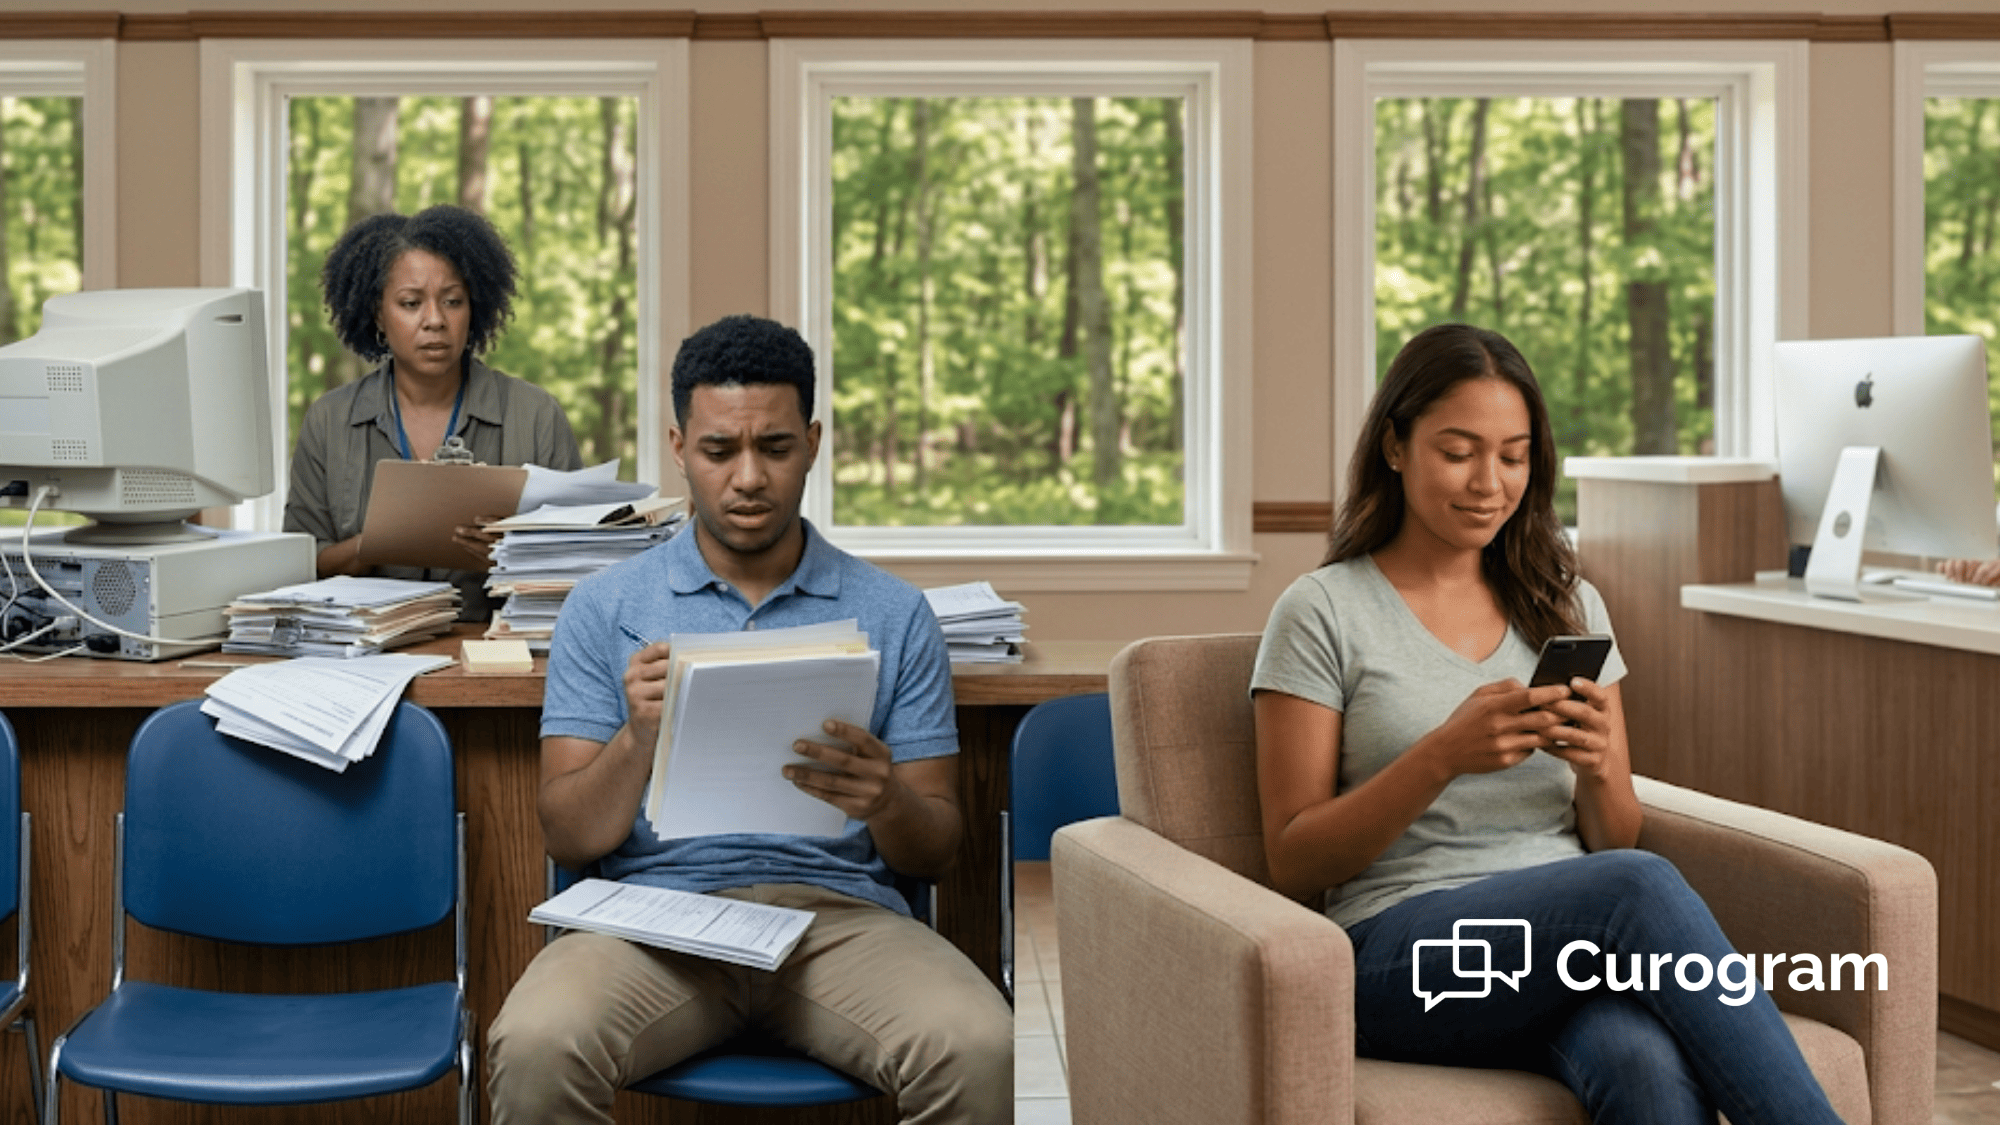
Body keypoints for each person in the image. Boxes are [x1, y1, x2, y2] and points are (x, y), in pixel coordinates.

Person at [1250, 323, 1844, 1123]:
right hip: (1399, 954)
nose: (1488, 482)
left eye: (1513, 454)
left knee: (1645, 1068)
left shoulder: (1567, 602)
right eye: (1458, 451)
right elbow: (1293, 859)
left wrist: (1599, 767)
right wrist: (1441, 755)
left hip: (1560, 953)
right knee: (1636, 889)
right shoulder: (1322, 611)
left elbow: (1613, 839)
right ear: (1395, 446)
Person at [485, 314, 1011, 1125]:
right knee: (535, 1042)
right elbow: (567, 835)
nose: (748, 478)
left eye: (774, 447)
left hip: (837, 918)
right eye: (719, 450)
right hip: (659, 918)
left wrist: (885, 800)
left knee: (981, 1047)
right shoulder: (605, 608)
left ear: (813, 441)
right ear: (679, 446)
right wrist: (636, 738)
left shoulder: (895, 613)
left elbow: (935, 848)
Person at [283, 204, 582, 621]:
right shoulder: (329, 420)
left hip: (497, 654)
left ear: (473, 309)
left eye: (453, 301)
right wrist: (371, 547)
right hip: (364, 655)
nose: (435, 321)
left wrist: (508, 554)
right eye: (410, 303)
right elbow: (299, 564)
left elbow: (580, 568)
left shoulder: (535, 416)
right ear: (378, 316)